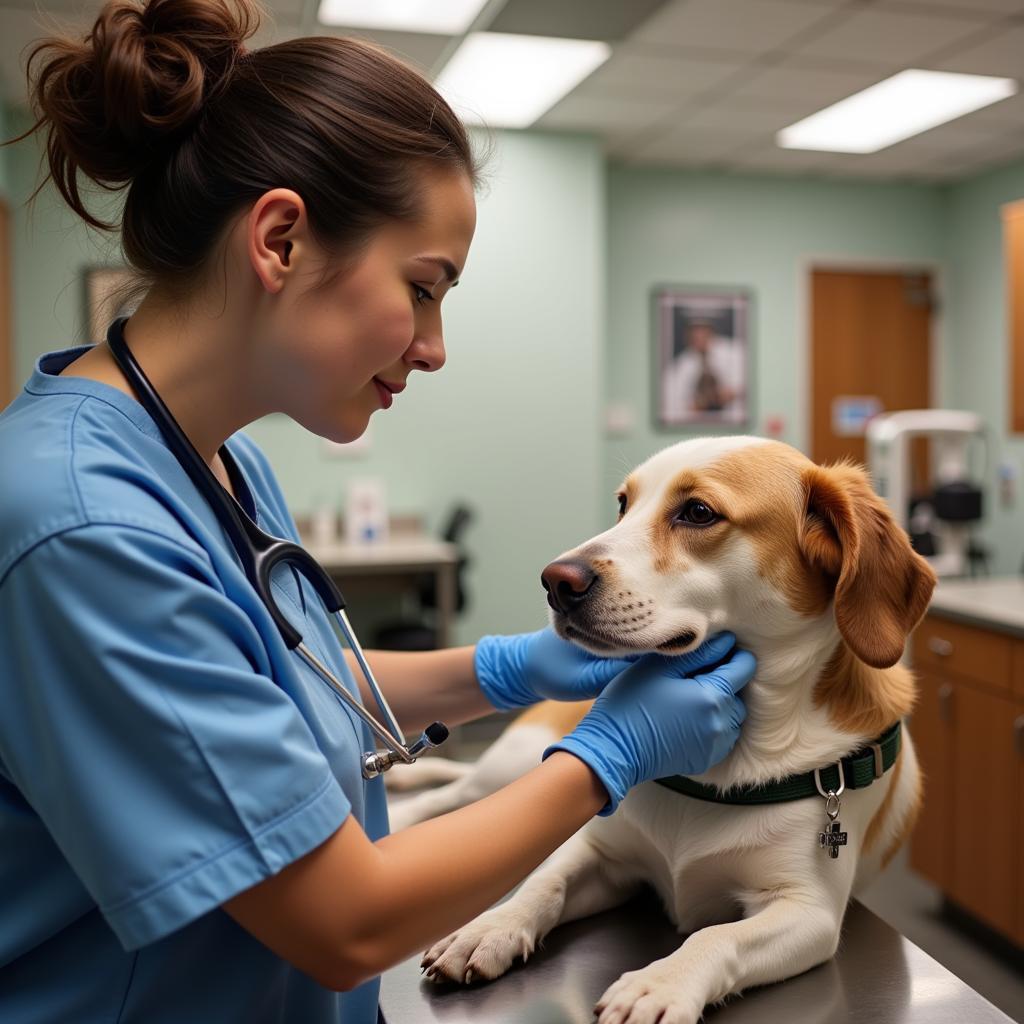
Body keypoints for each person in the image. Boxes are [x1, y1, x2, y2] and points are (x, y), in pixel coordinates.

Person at [0, 1, 756, 1021]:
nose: (434, 346)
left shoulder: (221, 462)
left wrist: (502, 669)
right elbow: (346, 918)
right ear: (277, 240)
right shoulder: (80, 527)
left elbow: (277, 695)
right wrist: (603, 757)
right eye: (423, 286)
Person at [660, 316, 746, 423]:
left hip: (734, 424)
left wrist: (732, 391)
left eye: (703, 330)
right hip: (696, 426)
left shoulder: (736, 352)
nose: (698, 336)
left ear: (711, 332)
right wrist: (693, 407)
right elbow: (670, 407)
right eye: (693, 332)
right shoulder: (680, 365)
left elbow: (752, 383)